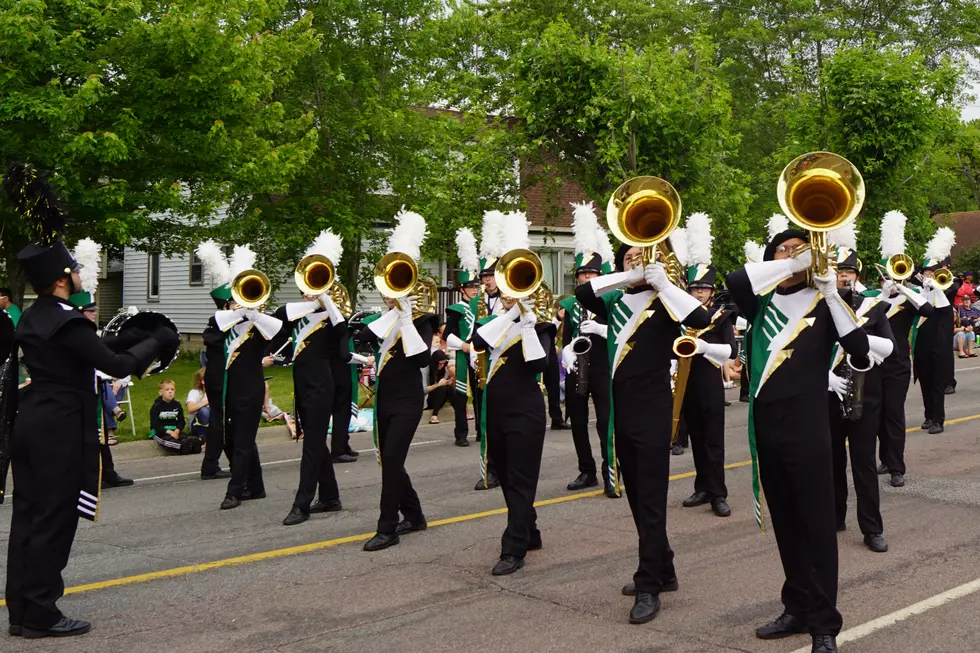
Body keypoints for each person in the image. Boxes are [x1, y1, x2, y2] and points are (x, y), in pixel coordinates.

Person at [4, 162, 177, 639]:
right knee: (55, 519)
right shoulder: (68, 320)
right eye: (75, 269)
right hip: (61, 428)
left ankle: (21, 610)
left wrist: (131, 340)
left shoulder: (36, 317)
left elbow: (95, 352)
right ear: (62, 279)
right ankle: (41, 611)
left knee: (28, 517)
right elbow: (116, 366)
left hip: (33, 421)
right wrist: (157, 340)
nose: (81, 272)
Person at [726, 218, 870, 653]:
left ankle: (825, 623)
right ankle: (797, 607)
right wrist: (797, 258)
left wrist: (827, 287)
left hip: (810, 429)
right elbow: (736, 279)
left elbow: (860, 350)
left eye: (799, 249)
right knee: (786, 524)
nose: (790, 255)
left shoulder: (828, 302)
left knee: (817, 527)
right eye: (782, 249)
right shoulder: (762, 303)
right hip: (767, 430)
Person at [577, 237, 712, 625]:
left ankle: (649, 582)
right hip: (620, 411)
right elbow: (585, 290)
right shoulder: (616, 301)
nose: (634, 261)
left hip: (653, 410)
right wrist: (628, 272)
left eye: (641, 257)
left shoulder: (665, 302)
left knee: (651, 500)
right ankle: (664, 568)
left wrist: (665, 283)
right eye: (627, 256)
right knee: (636, 496)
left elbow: (700, 319)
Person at [276, 229, 367, 526]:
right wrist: (313, 304)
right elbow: (278, 317)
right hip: (301, 385)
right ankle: (330, 497)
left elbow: (343, 336)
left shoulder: (331, 319)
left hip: (322, 386)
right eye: (308, 287)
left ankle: (301, 504)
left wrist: (327, 302)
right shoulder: (296, 313)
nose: (310, 291)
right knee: (314, 442)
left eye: (317, 287)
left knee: (312, 444)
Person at [361, 210, 438, 552]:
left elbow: (422, 359)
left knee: (391, 461)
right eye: (388, 291)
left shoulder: (421, 320)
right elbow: (363, 335)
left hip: (408, 399)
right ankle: (415, 515)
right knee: (389, 461)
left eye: (396, 290)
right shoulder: (386, 318)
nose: (389, 296)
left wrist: (406, 319)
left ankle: (387, 527)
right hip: (384, 399)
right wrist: (394, 314)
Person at [826, 245, 895, 554]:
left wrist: (857, 338)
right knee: (831, 460)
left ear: (856, 276)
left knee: (864, 461)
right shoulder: (819, 307)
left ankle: (872, 528)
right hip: (829, 392)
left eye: (848, 272)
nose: (843, 277)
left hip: (865, 393)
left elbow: (890, 348)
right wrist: (823, 376)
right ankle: (835, 516)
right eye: (838, 272)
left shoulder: (874, 307)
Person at [205, 244, 283, 510]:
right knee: (230, 440)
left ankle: (234, 491)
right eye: (233, 301)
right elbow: (211, 337)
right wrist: (236, 313)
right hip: (223, 392)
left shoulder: (258, 326)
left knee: (243, 441)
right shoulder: (219, 323)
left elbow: (277, 330)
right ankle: (256, 486)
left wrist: (252, 312)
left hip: (249, 391)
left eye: (241, 299)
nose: (238, 304)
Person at [677, 213, 735, 518]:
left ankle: (718, 492)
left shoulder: (721, 316)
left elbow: (730, 350)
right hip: (685, 382)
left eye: (703, 289)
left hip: (710, 381)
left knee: (713, 439)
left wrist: (703, 346)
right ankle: (702, 486)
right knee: (696, 437)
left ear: (712, 292)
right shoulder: (680, 316)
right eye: (694, 289)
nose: (698, 293)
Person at [874, 211, 934, 488]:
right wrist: (886, 294)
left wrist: (905, 288)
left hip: (898, 365)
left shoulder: (911, 300)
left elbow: (927, 309)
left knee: (894, 414)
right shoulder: (876, 299)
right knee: (877, 413)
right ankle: (885, 459)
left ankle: (897, 466)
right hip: (874, 364)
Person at [559, 202, 614, 496]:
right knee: (577, 422)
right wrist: (565, 351)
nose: (586, 279)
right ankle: (586, 471)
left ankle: (610, 471)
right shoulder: (570, 305)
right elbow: (566, 336)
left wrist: (601, 329)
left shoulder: (611, 301)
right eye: (582, 274)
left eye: (592, 274)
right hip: (577, 367)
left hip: (602, 366)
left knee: (605, 421)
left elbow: (620, 335)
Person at [915, 228, 959, 434]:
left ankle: (938, 419)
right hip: (922, 339)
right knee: (924, 377)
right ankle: (928, 415)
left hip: (939, 340)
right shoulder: (921, 291)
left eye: (931, 272)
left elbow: (942, 304)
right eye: (926, 273)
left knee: (936, 380)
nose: (928, 276)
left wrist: (935, 286)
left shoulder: (947, 287)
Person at [443, 227, 482, 447]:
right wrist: (464, 346)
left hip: (479, 353)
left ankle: (480, 430)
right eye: (470, 287)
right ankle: (461, 433)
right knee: (460, 394)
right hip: (462, 353)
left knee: (479, 393)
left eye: (476, 286)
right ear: (462, 289)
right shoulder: (456, 309)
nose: (475, 290)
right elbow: (447, 335)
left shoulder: (482, 307)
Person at [151, 379, 201, 454]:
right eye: (167, 390)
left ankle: (195, 445)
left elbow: (181, 421)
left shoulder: (177, 405)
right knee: (167, 441)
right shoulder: (156, 406)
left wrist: (177, 430)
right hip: (161, 432)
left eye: (172, 389)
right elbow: (155, 424)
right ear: (161, 392)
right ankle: (182, 447)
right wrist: (170, 432)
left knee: (184, 437)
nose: (170, 391)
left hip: (175, 430)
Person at [186, 368, 211, 439]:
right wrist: (209, 401)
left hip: (212, 424)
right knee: (204, 411)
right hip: (196, 425)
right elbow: (190, 408)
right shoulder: (194, 392)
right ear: (203, 381)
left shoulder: (217, 393)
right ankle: (203, 438)